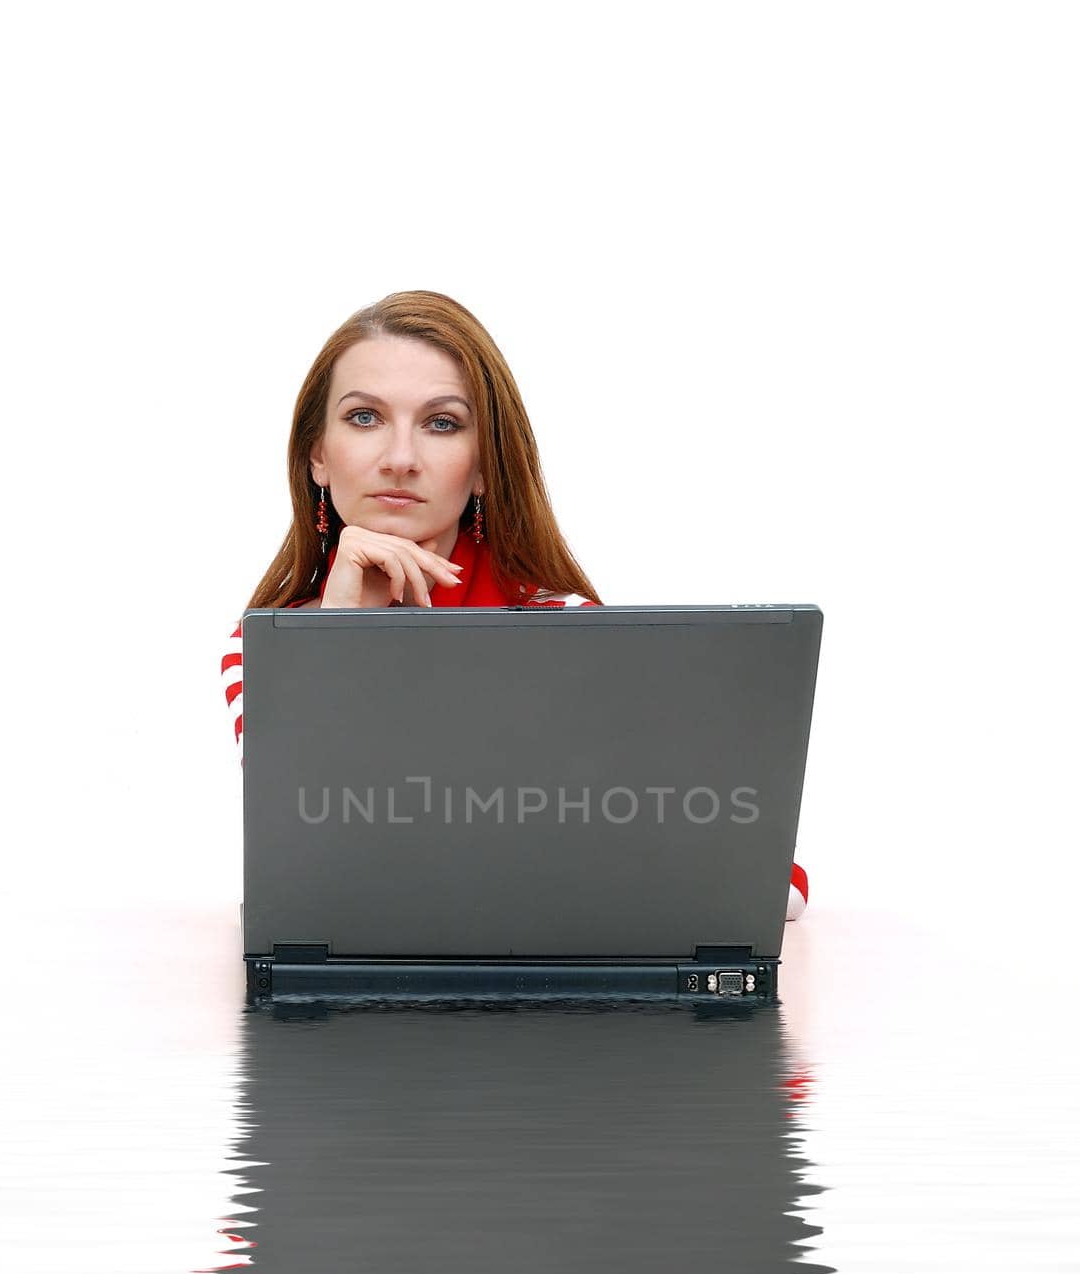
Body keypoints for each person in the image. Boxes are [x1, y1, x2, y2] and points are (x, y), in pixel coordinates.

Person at [221, 290, 808, 918]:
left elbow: (775, 885)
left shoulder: (573, 633)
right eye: (364, 417)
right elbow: (308, 862)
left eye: (441, 423)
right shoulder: (263, 648)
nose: (399, 459)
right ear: (317, 455)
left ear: (483, 468)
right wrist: (336, 640)